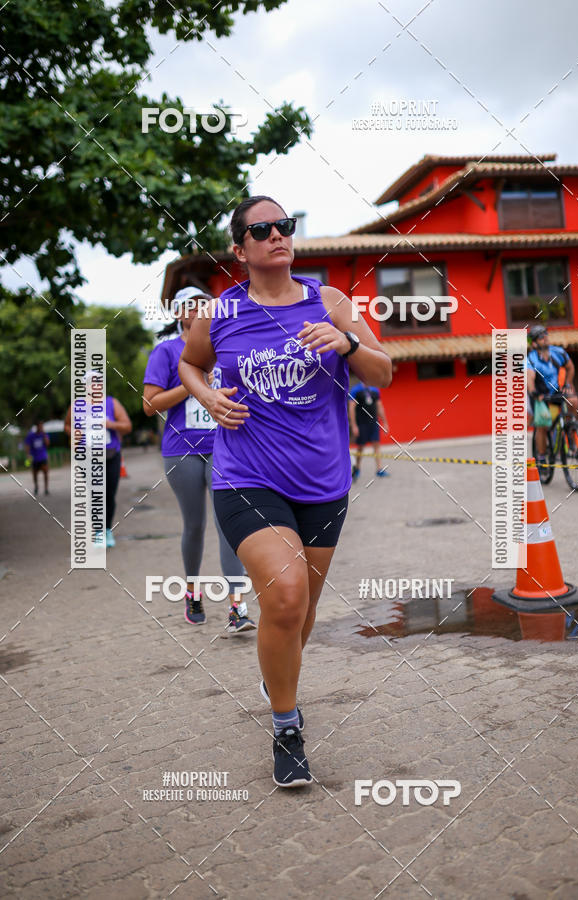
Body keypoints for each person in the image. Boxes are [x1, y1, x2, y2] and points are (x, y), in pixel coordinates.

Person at [179, 195, 392, 788]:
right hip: (247, 478)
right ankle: (287, 726)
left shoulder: (331, 302)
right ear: (240, 247)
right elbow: (190, 366)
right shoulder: (218, 313)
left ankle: (277, 674)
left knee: (300, 614)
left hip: (324, 486)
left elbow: (384, 371)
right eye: (263, 229)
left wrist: (348, 345)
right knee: (287, 592)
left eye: (285, 226)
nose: (278, 235)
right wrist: (206, 396)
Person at [143, 286, 256, 634]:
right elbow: (149, 405)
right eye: (190, 307)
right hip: (182, 451)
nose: (198, 311)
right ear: (178, 314)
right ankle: (192, 591)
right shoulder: (166, 352)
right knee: (195, 526)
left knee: (229, 525)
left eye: (203, 305)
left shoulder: (223, 345)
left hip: (225, 447)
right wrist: (196, 384)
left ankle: (238, 606)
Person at [65, 384, 132, 547]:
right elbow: (67, 425)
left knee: (109, 494)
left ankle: (107, 529)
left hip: (111, 456)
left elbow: (127, 426)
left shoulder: (111, 403)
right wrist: (73, 432)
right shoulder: (76, 406)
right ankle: (99, 532)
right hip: (87, 457)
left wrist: (111, 425)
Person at [527, 324, 578, 466]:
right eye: (540, 337)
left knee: (573, 400)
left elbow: (570, 367)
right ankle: (542, 458)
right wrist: (534, 393)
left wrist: (568, 384)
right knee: (542, 425)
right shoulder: (531, 359)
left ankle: (570, 427)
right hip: (538, 393)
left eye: (546, 335)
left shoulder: (558, 352)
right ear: (534, 342)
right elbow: (530, 380)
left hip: (555, 390)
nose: (545, 338)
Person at [348, 382, 390, 479]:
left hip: (373, 423)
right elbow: (351, 408)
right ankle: (357, 468)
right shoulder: (356, 390)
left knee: (376, 444)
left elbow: (379, 406)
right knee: (361, 447)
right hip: (361, 423)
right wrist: (354, 425)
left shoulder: (375, 390)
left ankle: (379, 469)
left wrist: (385, 422)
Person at [25, 422, 50, 495]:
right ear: (37, 427)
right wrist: (28, 454)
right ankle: (36, 487)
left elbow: (48, 444)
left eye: (42, 426)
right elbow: (27, 445)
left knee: (45, 473)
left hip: (43, 457)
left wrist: (44, 435)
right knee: (35, 475)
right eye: (40, 426)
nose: (41, 428)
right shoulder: (31, 436)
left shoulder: (44, 435)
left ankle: (46, 489)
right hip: (34, 458)